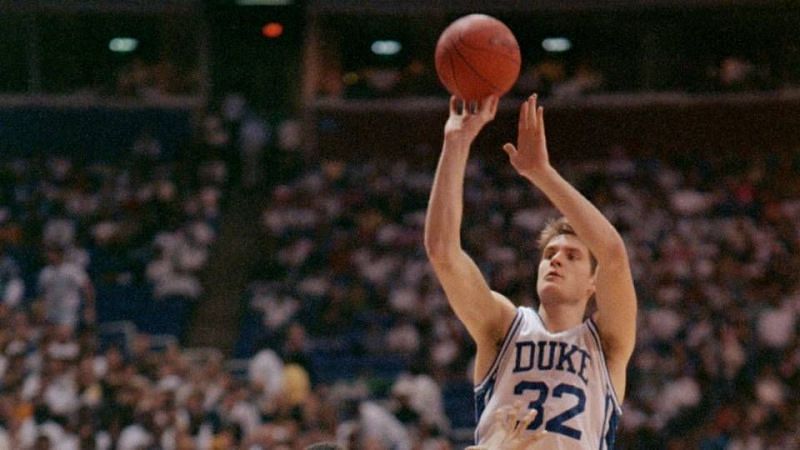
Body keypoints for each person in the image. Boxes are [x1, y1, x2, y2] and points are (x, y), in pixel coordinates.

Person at [424, 93, 637, 449]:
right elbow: (442, 252)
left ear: (592, 284)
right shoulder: (504, 326)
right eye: (550, 253)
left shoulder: (607, 343)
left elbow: (613, 254)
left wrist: (541, 173)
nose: (555, 260)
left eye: (573, 256)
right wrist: (456, 143)